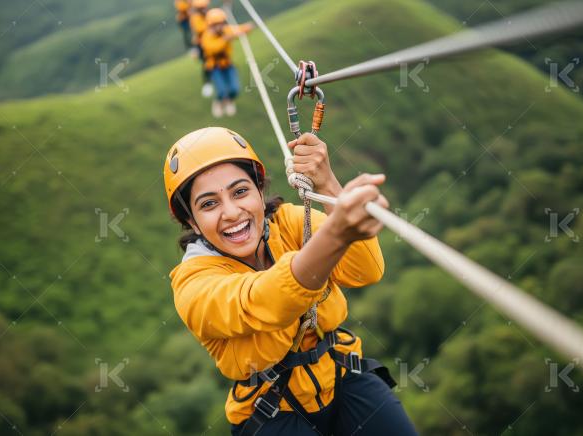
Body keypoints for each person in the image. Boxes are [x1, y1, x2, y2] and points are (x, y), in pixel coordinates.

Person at [164, 127, 418, 435]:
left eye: (240, 191)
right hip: (270, 411)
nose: (231, 212)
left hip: (341, 374)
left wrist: (328, 183)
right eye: (209, 204)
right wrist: (334, 234)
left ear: (260, 191)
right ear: (191, 221)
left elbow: (365, 269)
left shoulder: (289, 222)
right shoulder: (193, 283)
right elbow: (260, 301)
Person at [200, 8, 253, 117]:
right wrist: (226, 39)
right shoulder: (206, 36)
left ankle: (229, 101)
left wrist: (248, 27)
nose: (220, 27)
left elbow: (239, 29)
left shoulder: (226, 30)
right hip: (215, 67)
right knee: (221, 91)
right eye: (216, 24)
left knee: (235, 89)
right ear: (210, 25)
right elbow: (213, 48)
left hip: (228, 65)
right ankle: (219, 102)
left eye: (221, 23)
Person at [189, 0, 214, 98]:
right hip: (202, 44)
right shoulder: (195, 18)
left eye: (205, 7)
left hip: (211, 42)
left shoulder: (210, 15)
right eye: (201, 8)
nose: (204, 9)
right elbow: (201, 29)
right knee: (206, 63)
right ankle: (207, 83)